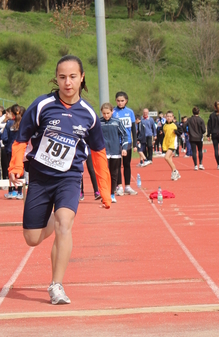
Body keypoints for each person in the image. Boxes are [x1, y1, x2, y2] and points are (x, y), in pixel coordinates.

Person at [8, 55, 110, 306]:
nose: (67, 82)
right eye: (62, 77)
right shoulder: (42, 105)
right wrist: (16, 165)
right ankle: (52, 217)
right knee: (32, 239)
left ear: (82, 77)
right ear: (57, 79)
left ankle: (56, 285)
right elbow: (21, 138)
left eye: (73, 77)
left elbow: (98, 154)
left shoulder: (89, 114)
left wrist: (105, 191)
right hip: (41, 179)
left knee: (66, 224)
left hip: (70, 178)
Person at [99, 103, 129, 203]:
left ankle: (112, 194)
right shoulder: (99, 122)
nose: (106, 115)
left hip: (115, 151)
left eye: (108, 113)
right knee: (104, 174)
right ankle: (105, 194)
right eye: (104, 113)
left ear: (112, 112)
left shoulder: (117, 122)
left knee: (114, 173)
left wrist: (124, 148)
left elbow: (125, 135)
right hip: (103, 152)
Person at [112, 92, 138, 195]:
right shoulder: (113, 112)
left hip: (127, 142)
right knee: (117, 165)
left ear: (126, 101)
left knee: (127, 164)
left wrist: (135, 144)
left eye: (122, 101)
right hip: (116, 142)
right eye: (118, 101)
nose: (120, 103)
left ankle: (127, 186)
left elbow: (133, 129)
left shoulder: (130, 112)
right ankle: (119, 186)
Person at [161, 111, 181, 181]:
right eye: (167, 116)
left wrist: (176, 132)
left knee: (166, 157)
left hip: (173, 143)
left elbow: (181, 131)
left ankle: (175, 171)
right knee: (170, 158)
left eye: (170, 116)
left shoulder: (175, 125)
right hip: (167, 143)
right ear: (165, 117)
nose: (169, 118)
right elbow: (164, 133)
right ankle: (174, 172)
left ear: (173, 117)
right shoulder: (164, 126)